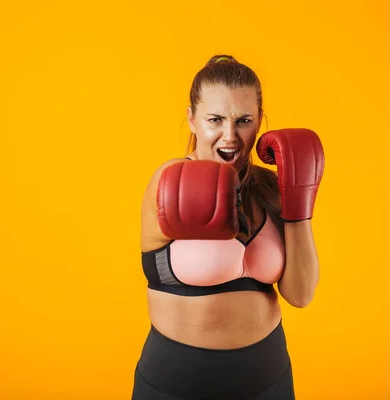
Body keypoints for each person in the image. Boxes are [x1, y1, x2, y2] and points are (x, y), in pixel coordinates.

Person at [133, 54, 325, 399]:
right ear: (191, 120)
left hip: (270, 381)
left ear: (260, 121)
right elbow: (190, 199)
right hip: (177, 386)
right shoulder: (169, 183)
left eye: (244, 120)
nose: (230, 135)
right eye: (215, 119)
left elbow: (300, 294)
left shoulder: (271, 189)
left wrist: (298, 203)